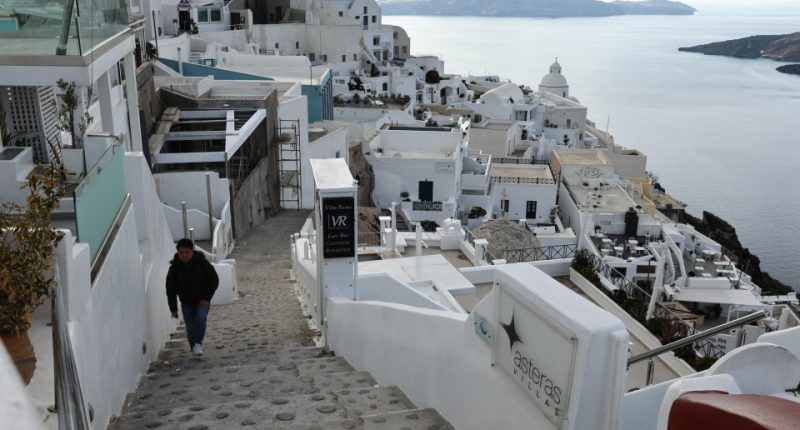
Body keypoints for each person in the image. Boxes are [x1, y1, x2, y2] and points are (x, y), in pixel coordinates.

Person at [166, 238, 219, 356]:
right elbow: (171, 290)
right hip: (186, 303)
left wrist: (206, 298)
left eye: (187, 252)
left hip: (202, 300)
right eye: (181, 253)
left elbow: (214, 280)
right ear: (177, 253)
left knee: (200, 318)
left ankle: (198, 344)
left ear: (192, 252)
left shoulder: (202, 263)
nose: (184, 255)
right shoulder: (174, 269)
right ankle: (193, 346)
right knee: (190, 326)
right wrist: (173, 308)